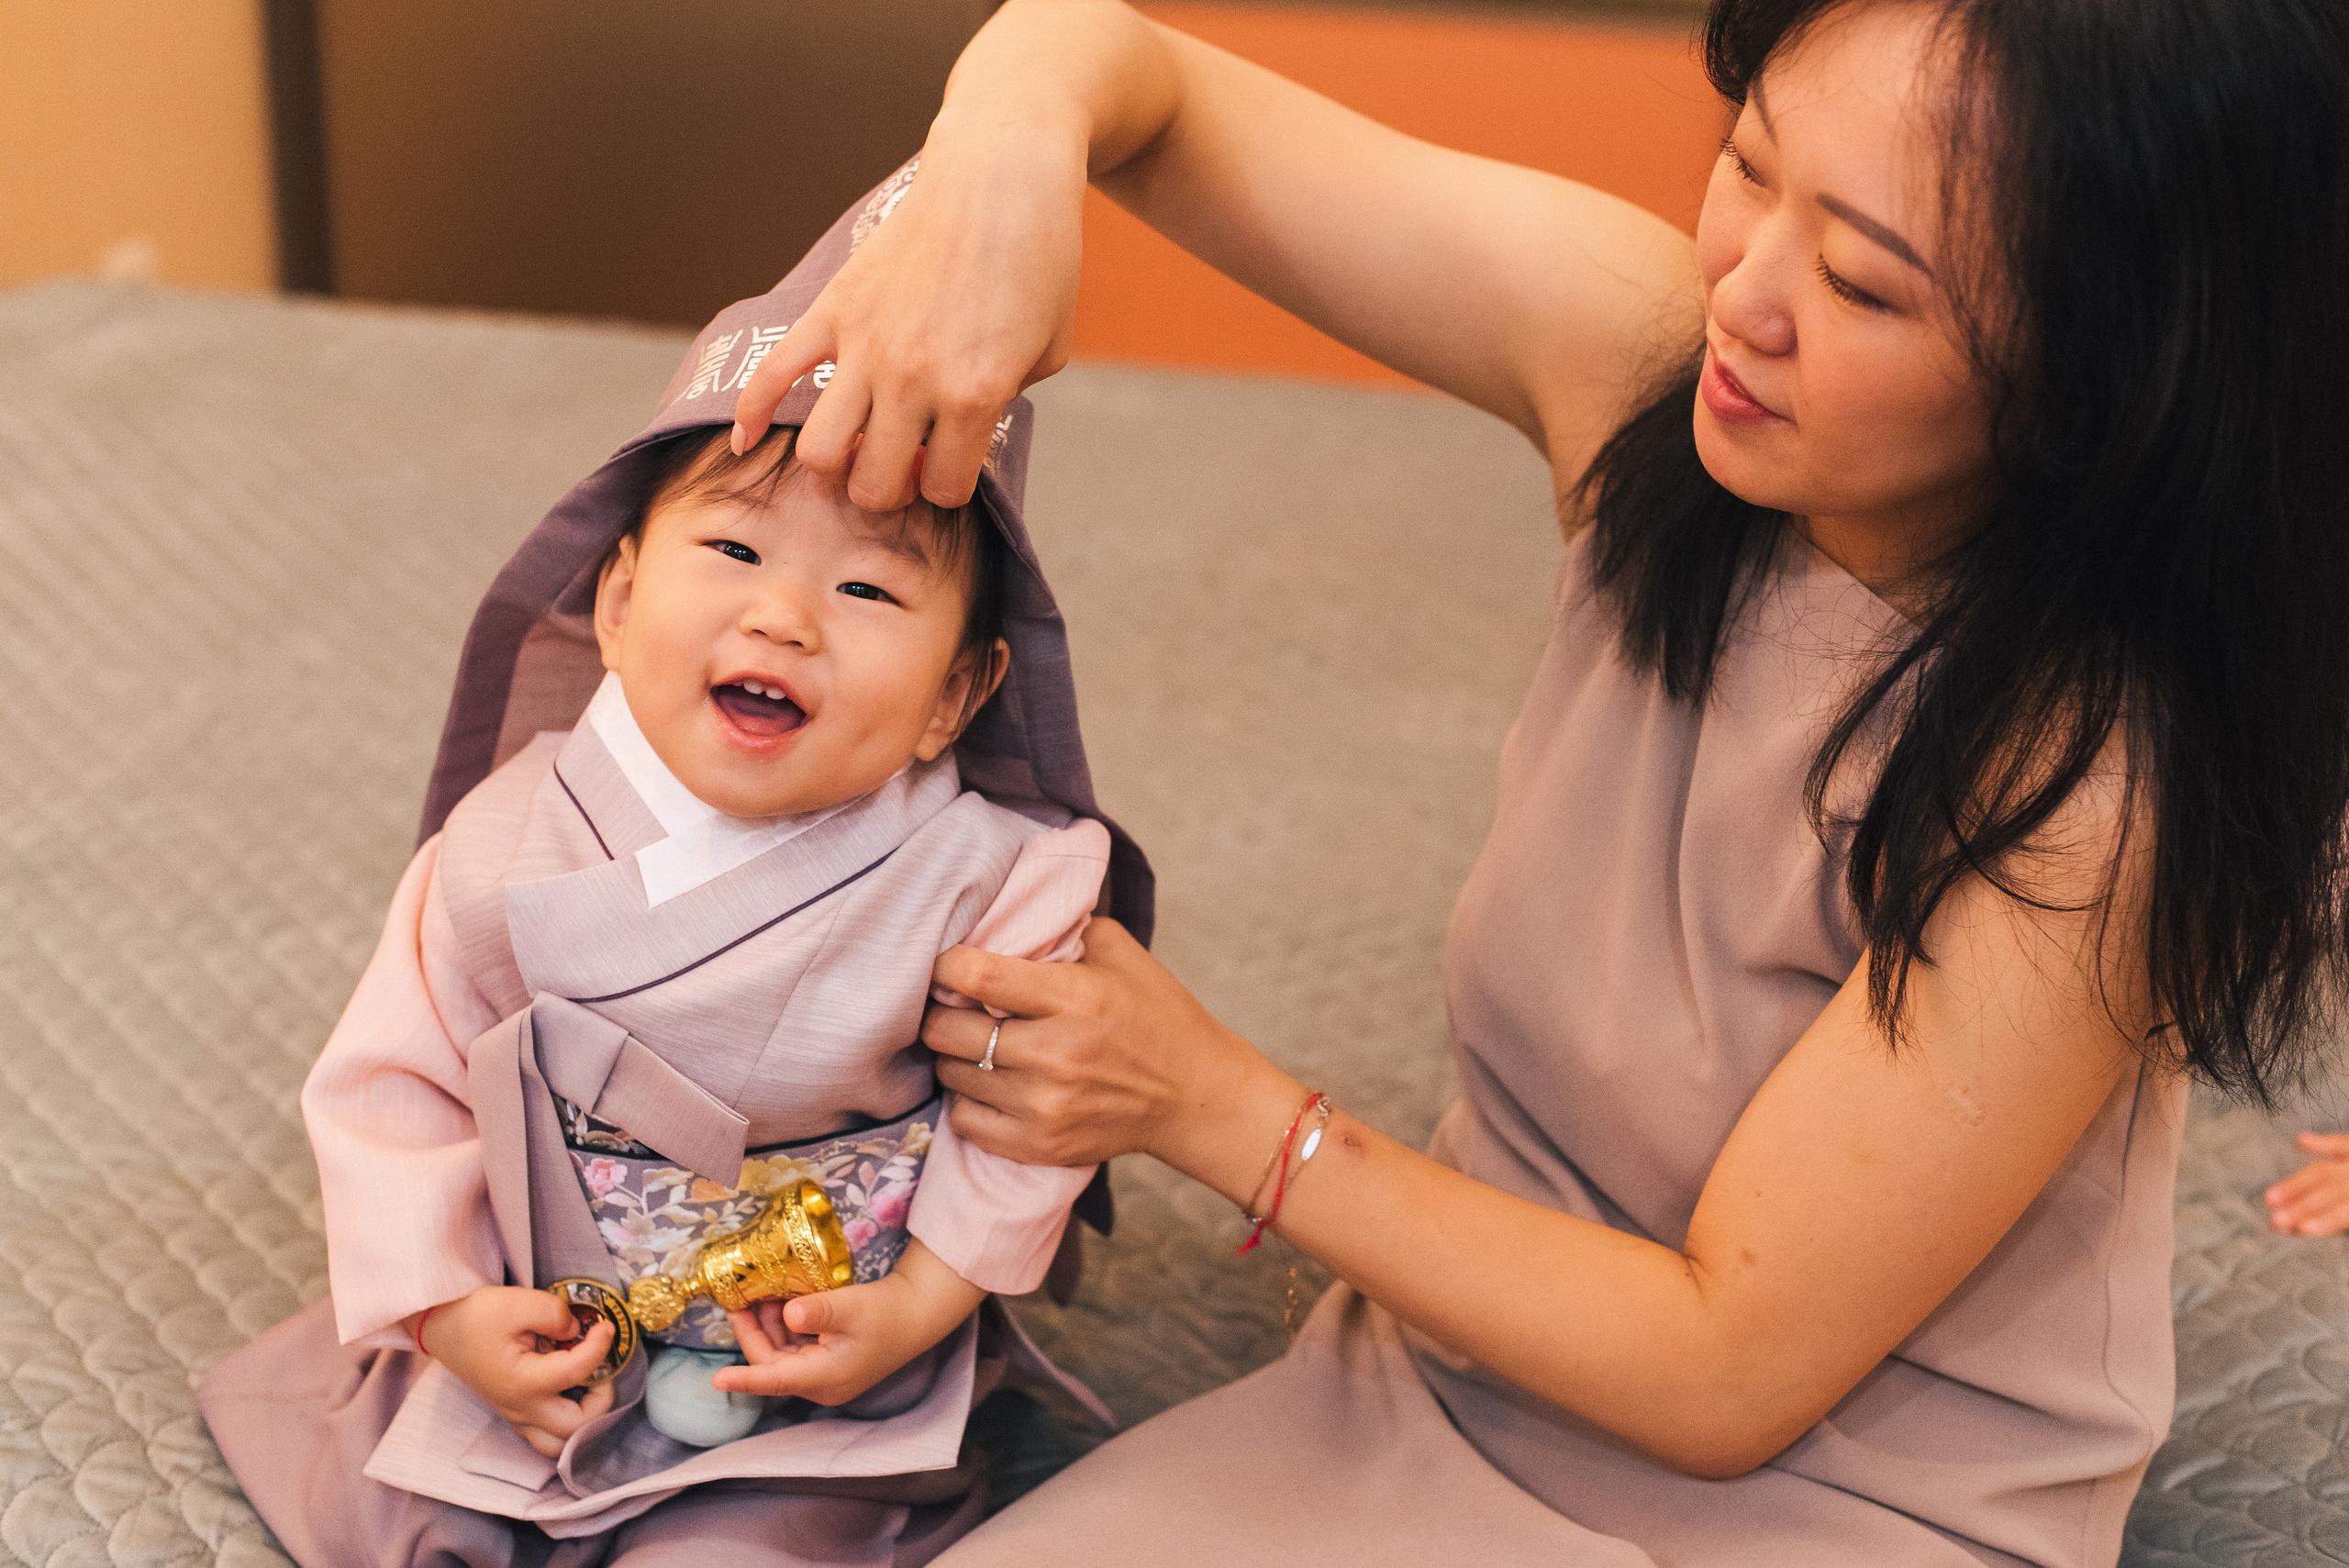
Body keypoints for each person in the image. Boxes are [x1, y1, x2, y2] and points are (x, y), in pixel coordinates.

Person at [718, 0, 2349, 1563]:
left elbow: (1726, 1369)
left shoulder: (2090, 787)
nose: (1746, 294)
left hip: (1838, 1505)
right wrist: (1002, 165)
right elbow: (1127, 72)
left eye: (1863, 285)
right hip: (1441, 1385)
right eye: (1751, 163)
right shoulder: (1653, 375)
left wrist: (1209, 1103)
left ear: (2107, 376)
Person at [195, 180, 1144, 1568]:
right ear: (623, 599)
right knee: (417, 1517)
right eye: (735, 548)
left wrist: (923, 1301)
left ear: (959, 694)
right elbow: (393, 1089)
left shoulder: (1003, 879)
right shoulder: (503, 850)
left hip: (826, 1354)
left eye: (870, 591)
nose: (785, 613)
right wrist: (455, 1313)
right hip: (561, 1331)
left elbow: (1023, 1119)